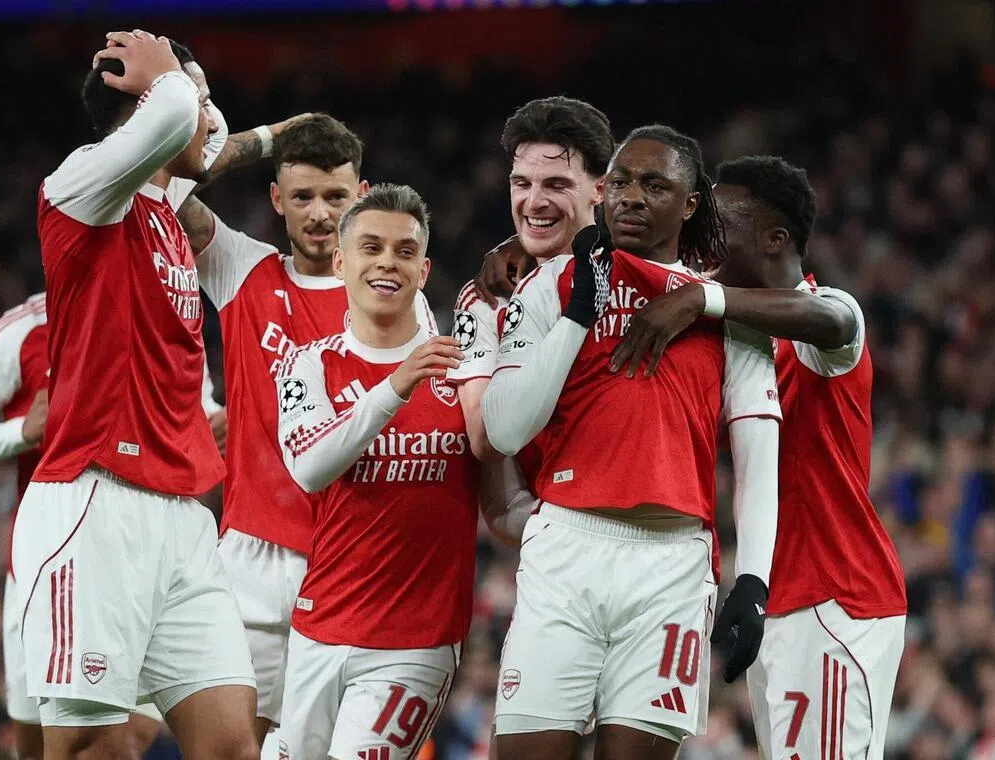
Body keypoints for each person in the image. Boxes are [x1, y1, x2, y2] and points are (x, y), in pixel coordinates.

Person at [481, 125, 781, 760]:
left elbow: (758, 458)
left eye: (655, 185)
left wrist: (754, 580)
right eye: (619, 182)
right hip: (565, 550)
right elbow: (504, 429)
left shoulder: (728, 310)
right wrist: (577, 313)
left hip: (672, 568)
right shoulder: (551, 284)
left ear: (691, 203)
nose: (632, 197)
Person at [610, 155, 906, 760]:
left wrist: (704, 298)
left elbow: (833, 321)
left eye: (720, 220)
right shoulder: (740, 346)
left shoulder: (824, 315)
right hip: (772, 600)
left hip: (833, 597)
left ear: (774, 239)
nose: (705, 234)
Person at [14, 30, 257, 760]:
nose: (209, 114)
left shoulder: (162, 204)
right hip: (95, 504)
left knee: (231, 745)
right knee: (91, 746)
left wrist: (281, 135)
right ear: (153, 104)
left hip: (181, 517)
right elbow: (179, 114)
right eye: (200, 97)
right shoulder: (80, 186)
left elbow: (213, 138)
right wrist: (167, 78)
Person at [176, 114, 438, 749]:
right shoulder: (243, 268)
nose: (320, 215)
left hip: (353, 562)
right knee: (233, 747)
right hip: (254, 560)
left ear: (362, 196)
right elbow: (165, 187)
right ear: (276, 199)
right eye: (302, 197)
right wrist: (267, 139)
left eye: (336, 197)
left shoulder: (400, 300)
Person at [0, 294, 226, 760]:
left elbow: (201, 407)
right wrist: (18, 433)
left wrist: (214, 423)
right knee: (38, 746)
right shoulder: (22, 331)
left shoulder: (170, 314)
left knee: (128, 739)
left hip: (146, 564)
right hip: (47, 568)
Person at [274, 184, 476, 760]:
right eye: (371, 247)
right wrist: (396, 385)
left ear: (423, 270)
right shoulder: (308, 364)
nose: (388, 261)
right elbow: (311, 466)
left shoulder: (462, 369)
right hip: (319, 625)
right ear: (340, 262)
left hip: (417, 641)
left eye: (404, 251)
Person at [448, 96, 615, 542]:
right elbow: (486, 442)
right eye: (521, 183)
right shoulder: (485, 300)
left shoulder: (638, 276)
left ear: (600, 189)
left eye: (556, 184)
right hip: (556, 536)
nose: (534, 202)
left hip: (660, 535)